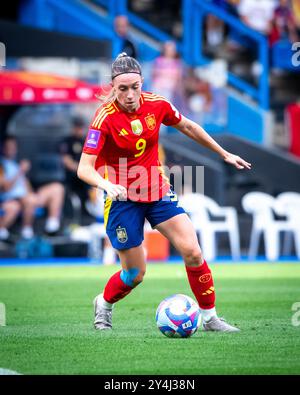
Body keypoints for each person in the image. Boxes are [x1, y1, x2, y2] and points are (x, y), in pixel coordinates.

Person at [77, 53, 251, 332]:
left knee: (193, 252)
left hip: (157, 190)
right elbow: (83, 168)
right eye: (123, 89)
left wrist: (223, 153)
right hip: (122, 198)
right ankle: (104, 303)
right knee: (134, 274)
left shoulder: (157, 104)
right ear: (112, 87)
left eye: (135, 87)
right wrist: (107, 185)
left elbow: (188, 126)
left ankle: (210, 319)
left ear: (142, 82)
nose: (130, 94)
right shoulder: (104, 119)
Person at [0, 136, 36, 240]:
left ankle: (27, 231)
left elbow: (28, 189)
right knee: (14, 207)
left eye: (13, 147)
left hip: (21, 199)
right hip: (7, 199)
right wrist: (20, 171)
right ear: (3, 148)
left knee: (31, 199)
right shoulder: (2, 165)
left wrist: (22, 173)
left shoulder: (16, 165)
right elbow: (5, 187)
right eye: (8, 147)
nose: (11, 150)